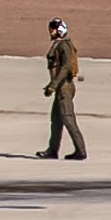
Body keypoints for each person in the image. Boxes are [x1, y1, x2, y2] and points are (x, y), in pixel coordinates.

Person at [36, 17, 87, 160]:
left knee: (68, 119)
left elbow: (66, 68)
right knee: (56, 121)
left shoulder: (64, 46)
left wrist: (53, 85)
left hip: (64, 87)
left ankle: (80, 151)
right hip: (60, 87)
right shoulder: (59, 45)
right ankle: (52, 151)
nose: (50, 32)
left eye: (52, 29)